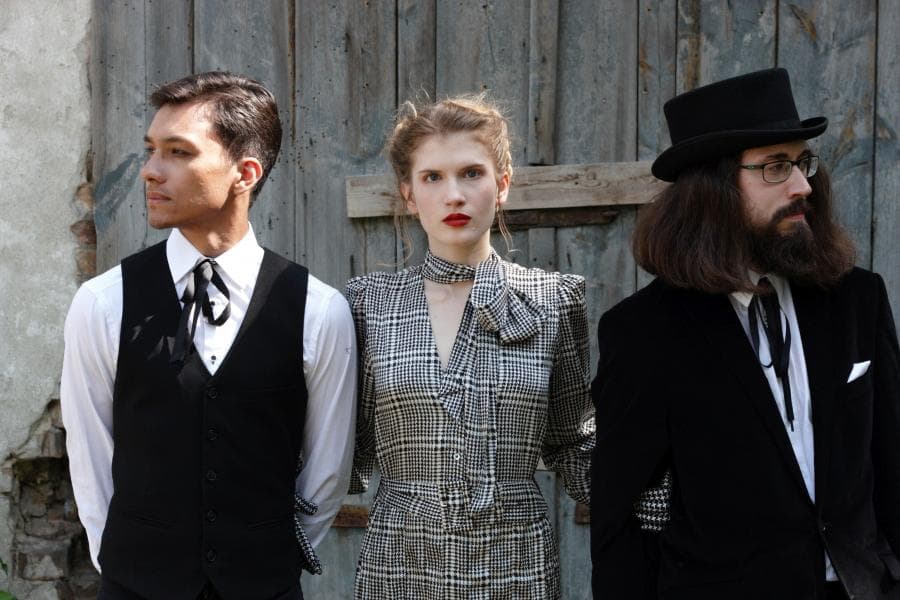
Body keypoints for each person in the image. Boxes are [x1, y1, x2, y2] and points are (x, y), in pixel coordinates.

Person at [590, 67, 900, 600]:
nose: (803, 186)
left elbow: (892, 463)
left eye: (802, 162)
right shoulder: (644, 332)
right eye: (776, 167)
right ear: (712, 190)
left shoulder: (857, 298)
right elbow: (620, 516)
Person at [61, 71, 357, 600]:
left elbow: (327, 472)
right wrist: (129, 568)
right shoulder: (103, 303)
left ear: (245, 173)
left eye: (178, 152)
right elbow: (90, 461)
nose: (150, 171)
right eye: (151, 150)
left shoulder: (319, 309)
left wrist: (266, 561)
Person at [346, 95, 594, 599]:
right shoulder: (369, 304)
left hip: (515, 561)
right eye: (432, 178)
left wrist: (656, 500)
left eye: (471, 174)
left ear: (502, 184)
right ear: (409, 194)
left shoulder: (553, 300)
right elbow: (339, 445)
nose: (454, 195)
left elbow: (574, 440)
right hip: (402, 560)